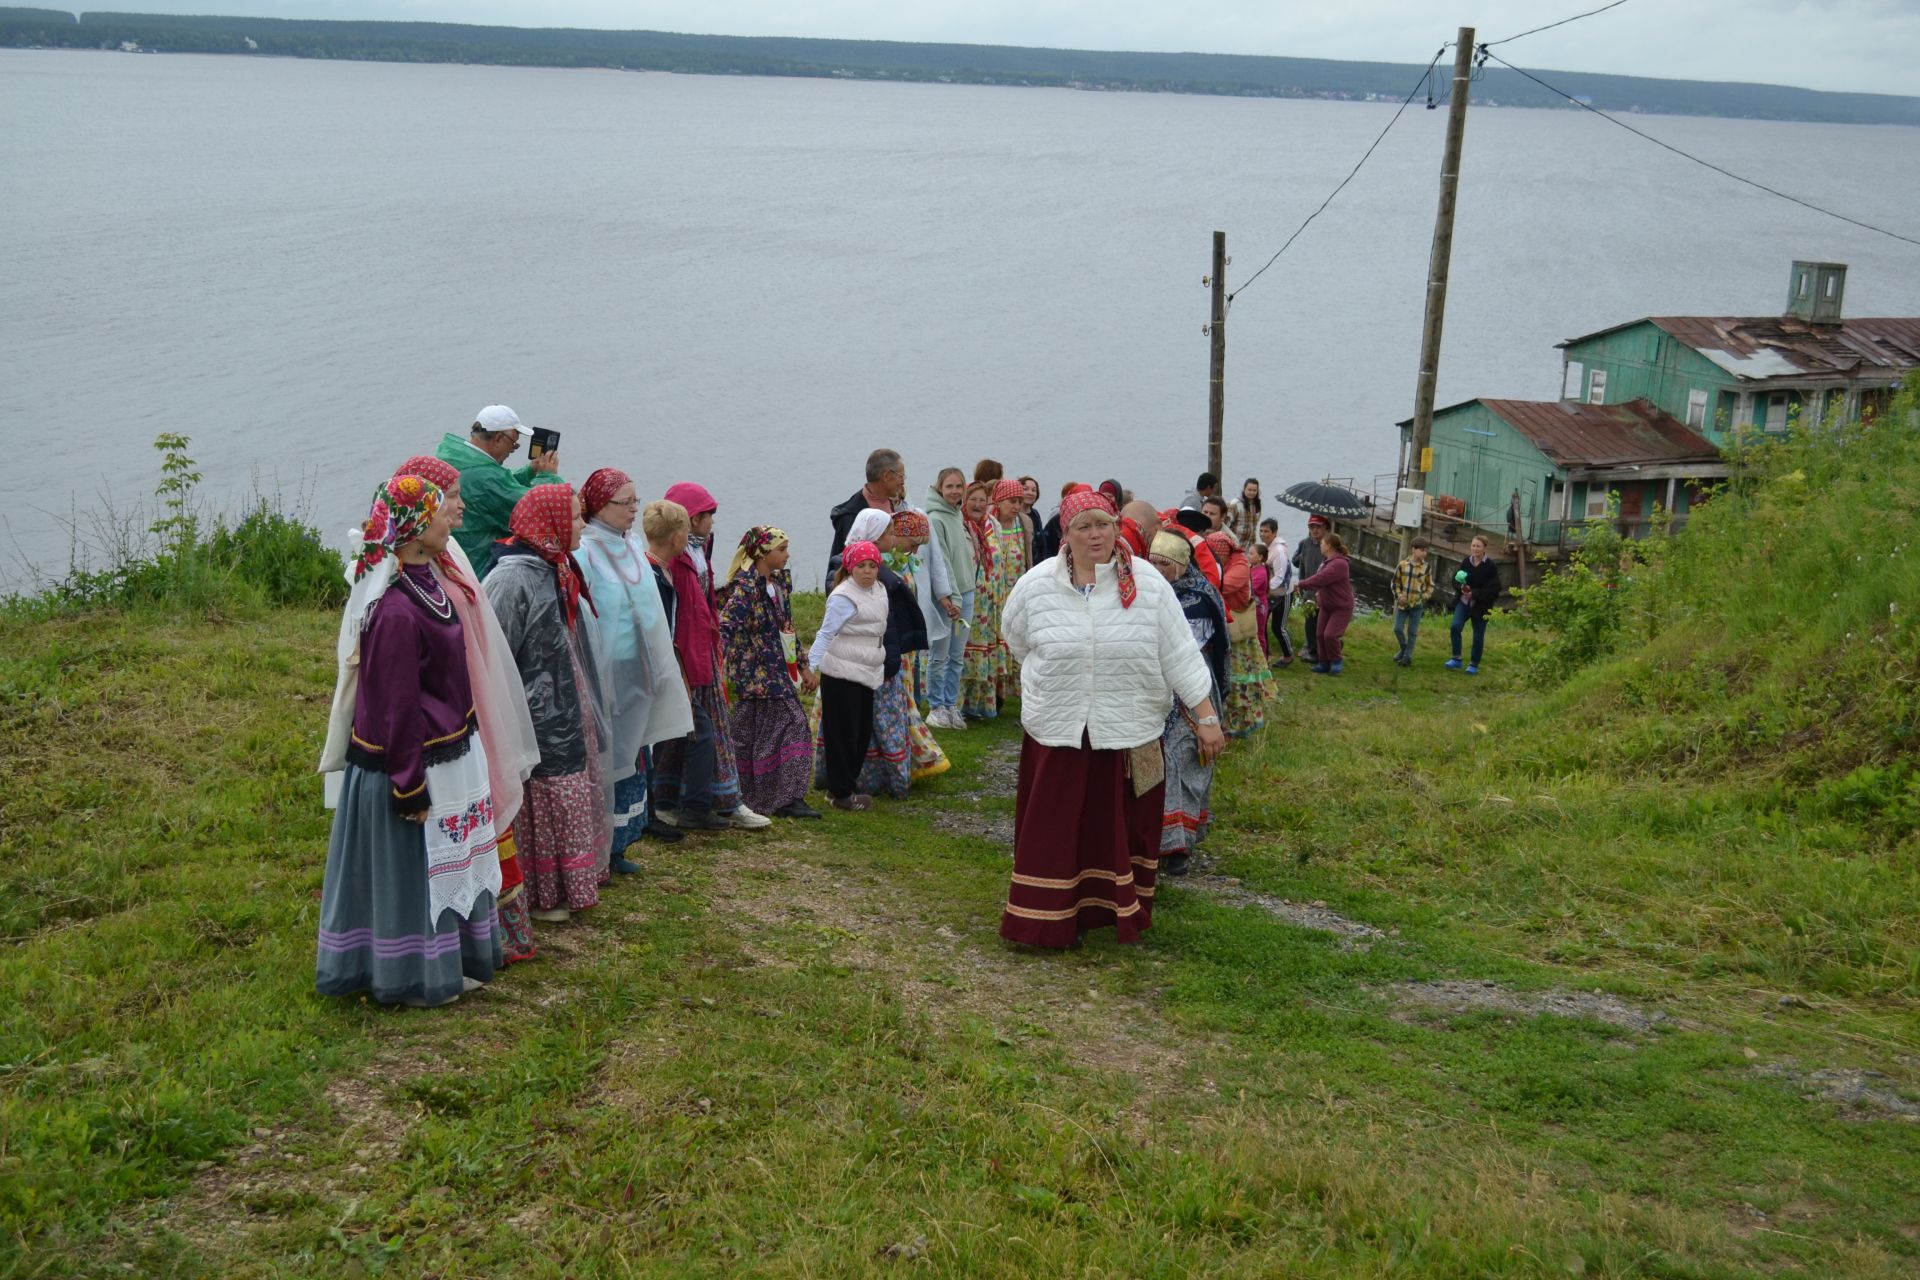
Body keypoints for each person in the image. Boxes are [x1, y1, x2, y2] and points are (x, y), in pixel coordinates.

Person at [998, 490, 1226, 949]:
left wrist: (1205, 716)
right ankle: (1048, 922)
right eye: (1084, 526)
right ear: (1066, 534)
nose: (1095, 534)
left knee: (1111, 830)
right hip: (1057, 730)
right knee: (1057, 830)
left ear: (1117, 527)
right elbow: (1016, 639)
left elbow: (1179, 653)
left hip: (1126, 729)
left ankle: (1105, 912)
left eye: (1103, 523)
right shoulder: (1037, 584)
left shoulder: (1148, 585)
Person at [316, 476, 503, 1006]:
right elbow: (395, 705)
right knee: (412, 875)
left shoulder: (425, 583)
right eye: (442, 511)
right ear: (417, 528)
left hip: (448, 750)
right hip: (408, 765)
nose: (452, 518)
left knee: (448, 863)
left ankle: (448, 960)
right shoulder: (396, 610)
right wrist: (408, 786)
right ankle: (408, 974)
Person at [381, 455, 543, 964]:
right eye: (450, 496)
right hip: (442, 717)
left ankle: (497, 932)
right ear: (422, 509)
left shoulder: (450, 555)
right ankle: (466, 937)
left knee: (485, 807)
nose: (461, 504)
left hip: (471, 707)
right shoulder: (400, 575)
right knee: (464, 817)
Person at [486, 484, 610, 922]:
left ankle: (571, 881)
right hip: (536, 708)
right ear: (552, 523)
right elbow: (494, 651)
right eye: (575, 518)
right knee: (544, 791)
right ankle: (541, 890)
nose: (581, 525)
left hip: (561, 697)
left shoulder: (554, 566)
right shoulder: (512, 577)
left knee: (571, 785)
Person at [577, 468, 696, 872]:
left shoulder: (632, 547)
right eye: (623, 503)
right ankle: (598, 846)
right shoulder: (585, 551)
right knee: (609, 755)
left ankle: (621, 843)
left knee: (634, 753)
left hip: (638, 667)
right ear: (598, 506)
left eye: (634, 501)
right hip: (605, 670)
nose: (633, 510)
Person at [655, 481, 772, 831]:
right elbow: (679, 615)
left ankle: (698, 800)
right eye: (707, 516)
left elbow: (703, 603)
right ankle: (710, 802)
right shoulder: (674, 561)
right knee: (700, 732)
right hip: (687, 657)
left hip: (703, 652)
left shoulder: (697, 550)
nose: (712, 523)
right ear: (690, 518)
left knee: (699, 731)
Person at [719, 526, 821, 819]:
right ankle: (775, 797)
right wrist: (716, 664)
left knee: (766, 732)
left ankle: (771, 795)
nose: (787, 555)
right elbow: (725, 627)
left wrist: (803, 667)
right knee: (789, 725)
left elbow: (787, 629)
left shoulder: (777, 587)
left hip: (777, 672)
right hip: (755, 675)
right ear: (762, 553)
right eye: (782, 549)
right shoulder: (746, 588)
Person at [1147, 531, 1229, 879]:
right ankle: (1159, 841)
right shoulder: (1150, 593)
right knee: (1160, 764)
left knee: (1186, 761)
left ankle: (1179, 845)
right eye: (1153, 563)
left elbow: (1187, 648)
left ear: (1181, 564)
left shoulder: (1199, 599)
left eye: (1164, 564)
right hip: (1156, 686)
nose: (1157, 569)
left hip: (1192, 689)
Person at [433, 405, 563, 573]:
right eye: (514, 444)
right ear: (498, 438)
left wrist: (530, 471)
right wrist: (547, 477)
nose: (513, 450)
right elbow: (538, 509)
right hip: (482, 567)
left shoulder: (459, 459)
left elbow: (499, 489)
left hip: (456, 560)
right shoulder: (484, 475)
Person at [810, 540, 889, 812]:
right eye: (861, 566)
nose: (867, 571)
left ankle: (848, 783)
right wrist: (811, 666)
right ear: (850, 568)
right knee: (842, 732)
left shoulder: (879, 590)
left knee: (860, 731)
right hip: (841, 672)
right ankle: (839, 792)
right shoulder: (844, 597)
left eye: (872, 566)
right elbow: (826, 632)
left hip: (866, 670)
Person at [1206, 529, 1273, 734]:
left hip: (1238, 633)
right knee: (1225, 676)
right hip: (1225, 629)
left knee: (1238, 679)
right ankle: (1224, 721)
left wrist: (1203, 579)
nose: (1215, 559)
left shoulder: (1240, 565)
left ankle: (1239, 724)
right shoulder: (1227, 563)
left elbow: (1221, 586)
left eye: (1216, 555)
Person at [924, 467, 974, 731]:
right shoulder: (935, 518)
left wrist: (965, 592)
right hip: (947, 597)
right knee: (940, 654)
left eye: (959, 486)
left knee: (957, 655)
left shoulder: (957, 514)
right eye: (950, 486)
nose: (955, 491)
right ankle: (935, 707)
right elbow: (941, 561)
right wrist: (949, 597)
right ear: (940, 488)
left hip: (966, 592)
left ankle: (950, 703)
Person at [960, 481, 1003, 720]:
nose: (977, 504)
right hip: (968, 599)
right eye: (972, 499)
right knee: (962, 652)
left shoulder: (992, 525)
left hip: (989, 602)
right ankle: (956, 705)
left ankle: (977, 706)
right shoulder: (960, 526)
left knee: (984, 650)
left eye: (982, 500)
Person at [828, 448, 906, 576]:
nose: (903, 482)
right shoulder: (851, 516)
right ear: (886, 476)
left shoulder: (897, 506)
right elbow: (843, 568)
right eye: (901, 476)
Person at [1293, 532, 1356, 675]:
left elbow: (1321, 579)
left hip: (1341, 606)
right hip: (1326, 605)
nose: (1320, 546)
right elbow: (1320, 580)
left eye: (1322, 544)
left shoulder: (1339, 564)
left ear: (1328, 546)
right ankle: (1324, 662)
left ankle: (1336, 660)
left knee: (1330, 635)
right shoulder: (1327, 561)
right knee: (1320, 634)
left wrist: (1301, 584)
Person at [989, 479, 1029, 704]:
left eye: (1019, 502)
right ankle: (994, 691)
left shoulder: (1023, 524)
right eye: (1012, 501)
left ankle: (1013, 691)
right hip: (995, 593)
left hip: (1016, 590)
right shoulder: (990, 523)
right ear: (1000, 500)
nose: (1016, 506)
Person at [1447, 535, 1502, 675]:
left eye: (1478, 546)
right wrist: (1461, 588)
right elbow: (1456, 578)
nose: (1475, 549)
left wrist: (1475, 593)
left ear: (1484, 548)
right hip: (1464, 602)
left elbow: (1494, 589)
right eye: (1473, 545)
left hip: (1481, 605)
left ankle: (1473, 664)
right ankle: (1456, 658)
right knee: (1455, 627)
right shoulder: (1466, 561)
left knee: (1478, 635)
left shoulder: (1490, 566)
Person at [1392, 538, 1437, 667]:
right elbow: (1395, 583)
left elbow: (1430, 585)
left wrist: (1425, 596)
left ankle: (1407, 657)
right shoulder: (1402, 565)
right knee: (1398, 629)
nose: (1424, 553)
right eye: (1422, 550)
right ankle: (1404, 648)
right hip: (1403, 605)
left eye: (1426, 551)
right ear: (1413, 549)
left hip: (1417, 606)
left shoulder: (1426, 567)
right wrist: (1399, 596)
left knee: (1412, 632)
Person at [1291, 514, 1329, 664]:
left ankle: (1326, 649)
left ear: (1325, 527)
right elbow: (1300, 565)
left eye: (1318, 527)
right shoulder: (1305, 544)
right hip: (1308, 589)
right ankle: (1311, 648)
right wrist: (1301, 583)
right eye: (1312, 527)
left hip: (1324, 591)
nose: (1315, 530)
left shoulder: (1329, 545)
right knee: (1309, 622)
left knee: (1323, 623)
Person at [1260, 518, 1295, 666]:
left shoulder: (1279, 551)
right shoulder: (1264, 547)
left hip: (1283, 594)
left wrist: (1264, 588)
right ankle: (1264, 657)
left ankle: (1288, 655)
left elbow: (1280, 576)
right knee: (1261, 625)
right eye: (1261, 531)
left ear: (1274, 533)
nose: (1262, 534)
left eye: (1266, 531)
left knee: (1278, 628)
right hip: (1268, 593)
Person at [1248, 541, 1272, 660]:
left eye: (1252, 554)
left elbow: (1251, 588)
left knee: (1259, 633)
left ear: (1260, 557)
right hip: (1253, 606)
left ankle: (1262, 658)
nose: (1249, 556)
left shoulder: (1261, 572)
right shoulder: (1252, 568)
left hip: (1259, 607)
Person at [1228, 478, 1263, 548]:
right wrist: (1232, 540)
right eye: (1249, 490)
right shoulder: (1235, 504)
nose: (1252, 493)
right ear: (1244, 489)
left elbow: (1255, 525)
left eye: (1254, 490)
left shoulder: (1258, 504)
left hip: (1250, 546)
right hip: (1235, 545)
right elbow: (1226, 525)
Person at [1017, 476, 1042, 568]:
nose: (1030, 493)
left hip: (1039, 566)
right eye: (1025, 489)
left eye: (1034, 490)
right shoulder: (1015, 517)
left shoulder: (1035, 514)